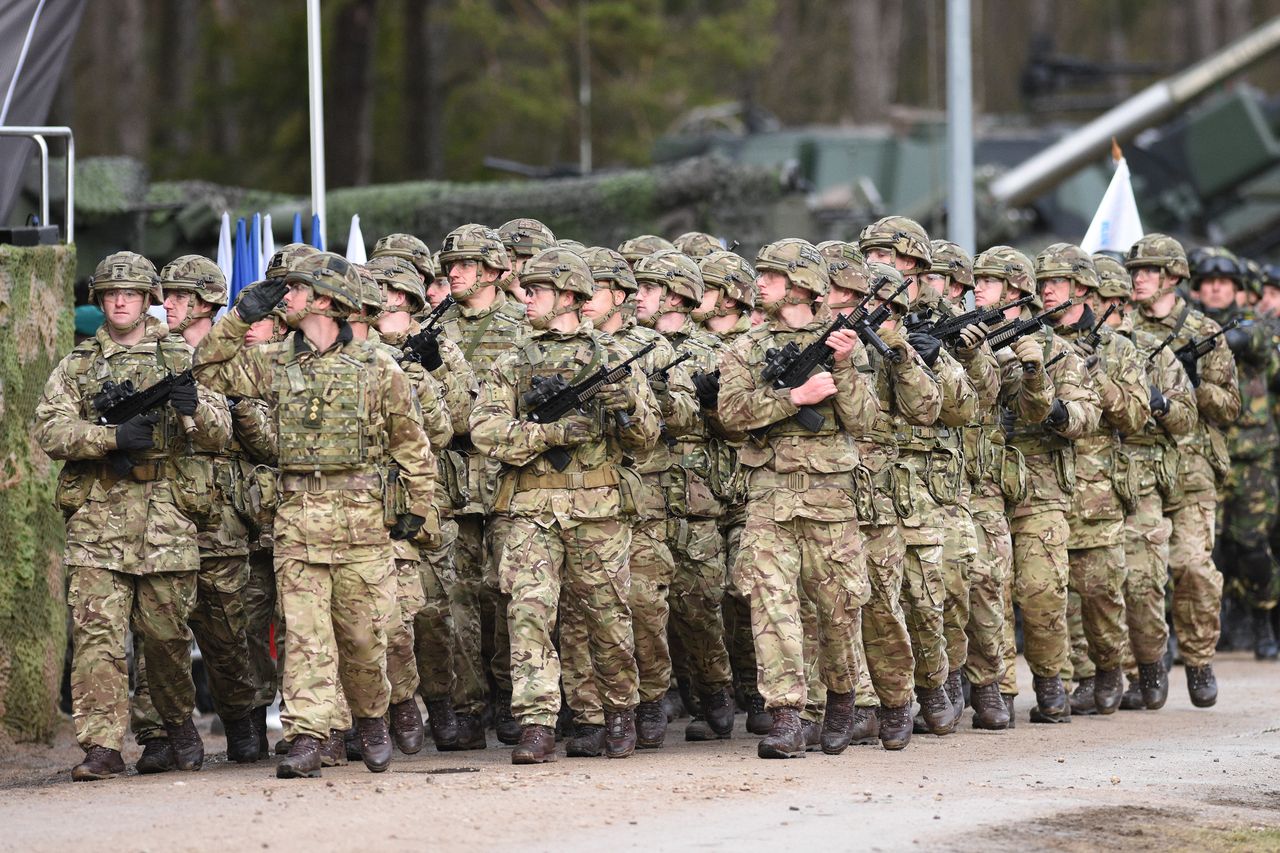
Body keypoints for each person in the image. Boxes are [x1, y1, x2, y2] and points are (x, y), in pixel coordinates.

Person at [192, 252, 434, 778]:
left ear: (325, 300)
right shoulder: (276, 360)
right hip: (299, 520)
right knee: (305, 636)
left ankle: (371, 716)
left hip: (364, 524)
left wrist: (417, 512)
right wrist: (237, 317)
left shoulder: (378, 367)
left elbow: (413, 446)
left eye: (297, 289)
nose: (287, 297)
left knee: (364, 640)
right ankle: (307, 733)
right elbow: (205, 371)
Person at [35, 251, 231, 781]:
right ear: (100, 300)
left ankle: (168, 727)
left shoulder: (179, 357)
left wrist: (193, 407)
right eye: (111, 294)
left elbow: (219, 434)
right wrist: (109, 437)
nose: (120, 301)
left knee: (165, 638)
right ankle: (101, 745)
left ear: (147, 300)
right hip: (98, 520)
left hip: (167, 516)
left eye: (131, 293)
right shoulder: (78, 365)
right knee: (97, 637)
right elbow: (49, 432)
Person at [470, 247, 661, 763]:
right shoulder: (511, 361)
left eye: (536, 291)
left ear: (570, 297)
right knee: (528, 612)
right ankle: (536, 722)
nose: (525, 299)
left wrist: (629, 409)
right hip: (531, 509)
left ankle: (620, 711)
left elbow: (646, 440)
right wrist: (549, 432)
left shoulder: (612, 360)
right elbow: (485, 430)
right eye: (524, 291)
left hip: (598, 510)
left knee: (607, 617)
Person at [717, 238, 878, 759]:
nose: (759, 283)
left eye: (771, 275)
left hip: (831, 501)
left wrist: (847, 369)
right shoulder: (746, 346)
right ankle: (786, 715)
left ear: (803, 285)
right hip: (769, 500)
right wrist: (794, 398)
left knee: (837, 609)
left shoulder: (844, 343)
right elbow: (732, 416)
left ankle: (840, 704)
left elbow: (864, 421)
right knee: (771, 607)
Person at [129, 254, 267, 771]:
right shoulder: (151, 354)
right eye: (165, 294)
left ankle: (241, 719)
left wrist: (236, 412)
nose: (167, 303)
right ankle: (159, 732)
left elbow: (269, 441)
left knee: (226, 630)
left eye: (179, 296)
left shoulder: (241, 363)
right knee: (157, 629)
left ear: (207, 303)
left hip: (219, 516)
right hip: (159, 511)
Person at [1033, 245, 1148, 716]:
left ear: (1081, 288)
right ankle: (1072, 678)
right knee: (1050, 594)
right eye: (1040, 284)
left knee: (1100, 592)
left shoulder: (1117, 349)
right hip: (1041, 483)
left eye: (1055, 282)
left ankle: (1107, 667)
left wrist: (1096, 377)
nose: (1045, 291)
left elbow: (1136, 416)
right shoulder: (1032, 340)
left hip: (1096, 489)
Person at [1127, 233, 1240, 707]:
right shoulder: (1122, 329)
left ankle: (1198, 659)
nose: (1137, 279)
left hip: (1192, 468)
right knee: (1140, 575)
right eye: (1133, 272)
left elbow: (1231, 406)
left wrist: (1196, 385)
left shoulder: (1203, 332)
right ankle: (1148, 668)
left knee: (1192, 568)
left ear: (1172, 276)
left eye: (1147, 271)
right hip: (1139, 465)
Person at [436, 223, 530, 747]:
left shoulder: (521, 327)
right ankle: (467, 708)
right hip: (451, 485)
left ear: (494, 271)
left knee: (509, 594)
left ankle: (515, 699)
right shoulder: (435, 328)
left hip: (507, 480)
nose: (454, 272)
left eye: (466, 265)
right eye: (450, 265)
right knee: (457, 600)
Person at [1192, 248, 1280, 660]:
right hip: (1200, 454)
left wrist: (1203, 341)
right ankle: (1196, 631)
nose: (1214, 288)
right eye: (1208, 282)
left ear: (1236, 290)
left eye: (1223, 283)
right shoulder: (1183, 323)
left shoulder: (1254, 326)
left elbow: (1251, 341)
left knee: (1251, 546)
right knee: (1201, 548)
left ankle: (1263, 617)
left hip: (1249, 457)